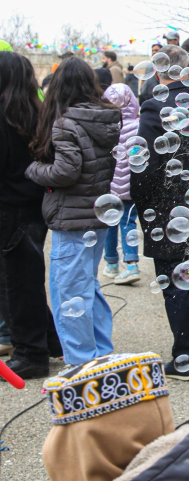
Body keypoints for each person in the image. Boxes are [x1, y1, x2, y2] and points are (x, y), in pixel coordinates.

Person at [130, 45, 189, 381]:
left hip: (168, 206)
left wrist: (142, 207)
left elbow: (144, 165)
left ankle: (185, 354)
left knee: (174, 278)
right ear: (188, 69)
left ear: (158, 73)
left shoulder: (154, 105)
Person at [26, 56, 121, 369]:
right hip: (98, 215)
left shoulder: (66, 122)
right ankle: (101, 354)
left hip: (73, 219)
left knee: (69, 293)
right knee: (88, 287)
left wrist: (34, 169)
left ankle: (80, 364)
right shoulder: (105, 118)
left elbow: (65, 172)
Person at [0, 51, 62, 378]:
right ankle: (50, 342)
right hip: (34, 208)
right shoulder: (36, 113)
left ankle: (30, 353)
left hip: (10, 211)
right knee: (28, 280)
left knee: (14, 285)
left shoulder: (5, 115)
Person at [101, 83, 142, 285]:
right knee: (128, 223)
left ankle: (111, 264)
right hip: (129, 187)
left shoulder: (105, 126)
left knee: (109, 223)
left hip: (109, 187)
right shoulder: (137, 126)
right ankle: (132, 264)